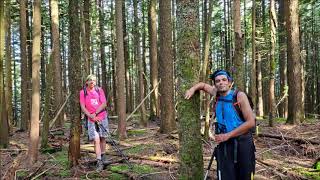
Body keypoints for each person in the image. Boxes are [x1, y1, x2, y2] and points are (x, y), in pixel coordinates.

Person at [185, 70, 256, 180]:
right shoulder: (216, 93)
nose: (221, 82)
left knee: (244, 176)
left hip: (243, 143)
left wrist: (228, 135)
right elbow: (203, 85)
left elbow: (251, 122)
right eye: (217, 81)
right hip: (224, 145)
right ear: (215, 84)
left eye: (224, 80)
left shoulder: (239, 96)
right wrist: (192, 89)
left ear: (229, 82)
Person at [80, 74, 109, 172]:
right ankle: (99, 161)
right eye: (90, 80)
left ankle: (104, 156)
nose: (92, 82)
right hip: (91, 119)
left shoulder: (99, 90)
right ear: (86, 82)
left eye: (94, 80)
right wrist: (90, 115)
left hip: (102, 116)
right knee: (96, 139)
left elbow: (104, 103)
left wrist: (95, 113)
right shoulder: (83, 92)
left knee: (102, 137)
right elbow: (83, 106)